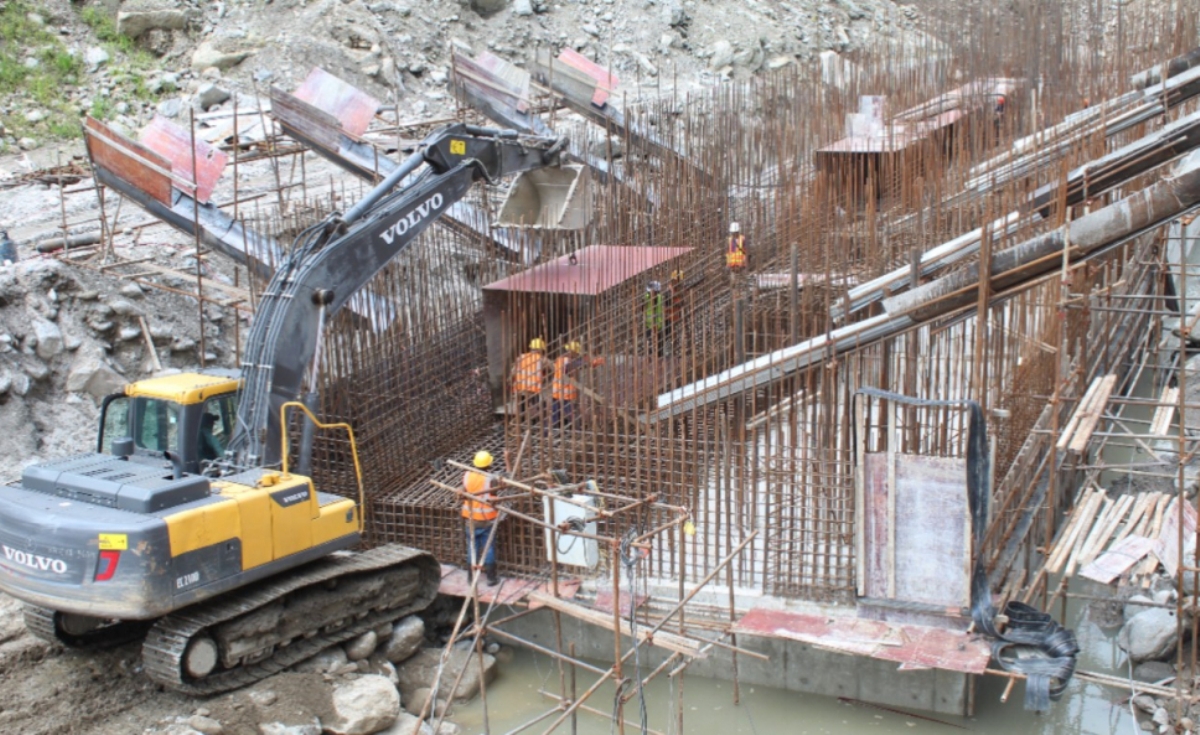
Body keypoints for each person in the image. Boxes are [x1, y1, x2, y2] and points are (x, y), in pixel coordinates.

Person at [462, 450, 500, 586]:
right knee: (488, 548)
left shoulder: (467, 475)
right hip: (486, 519)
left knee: (472, 548)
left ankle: (471, 578)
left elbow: (464, 491)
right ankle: (491, 578)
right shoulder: (490, 478)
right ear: (489, 464)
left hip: (470, 519)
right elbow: (495, 494)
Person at [550, 341, 603, 429]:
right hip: (565, 392)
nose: (576, 355)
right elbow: (576, 365)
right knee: (571, 413)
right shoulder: (567, 361)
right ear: (572, 352)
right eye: (576, 353)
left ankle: (553, 430)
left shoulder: (559, 359)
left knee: (555, 413)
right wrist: (594, 362)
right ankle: (578, 430)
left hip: (556, 391)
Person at [511, 337, 551, 427]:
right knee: (541, 407)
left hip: (520, 388)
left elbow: (513, 373)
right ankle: (543, 426)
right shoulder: (542, 359)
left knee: (521, 409)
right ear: (540, 349)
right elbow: (554, 368)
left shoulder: (521, 357)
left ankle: (520, 427)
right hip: (532, 389)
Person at [664, 270, 685, 355]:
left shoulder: (678, 290)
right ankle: (667, 353)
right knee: (669, 335)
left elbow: (681, 303)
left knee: (674, 336)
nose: (680, 283)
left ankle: (671, 352)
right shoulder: (669, 291)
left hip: (675, 316)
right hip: (669, 317)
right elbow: (666, 305)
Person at [643, 281, 665, 357]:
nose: (653, 294)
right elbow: (641, 308)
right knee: (650, 347)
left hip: (658, 326)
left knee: (660, 348)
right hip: (649, 326)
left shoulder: (660, 298)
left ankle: (659, 361)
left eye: (655, 292)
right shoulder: (646, 298)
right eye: (651, 292)